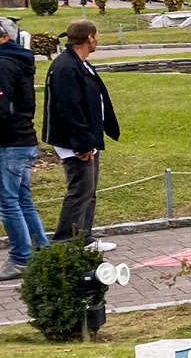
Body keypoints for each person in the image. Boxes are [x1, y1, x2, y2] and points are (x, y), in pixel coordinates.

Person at [42, 19, 119, 245]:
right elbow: (69, 109)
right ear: (90, 38)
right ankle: (65, 242)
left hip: (88, 138)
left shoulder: (80, 63)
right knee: (79, 192)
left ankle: (84, 238)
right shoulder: (66, 67)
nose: (98, 39)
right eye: (97, 35)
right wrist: (83, 144)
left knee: (89, 192)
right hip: (75, 142)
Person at [0, 17, 49, 279]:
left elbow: (3, 109)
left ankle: (21, 257)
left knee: (8, 202)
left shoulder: (3, 65)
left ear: (4, 37)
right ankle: (40, 248)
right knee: (21, 199)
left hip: (10, 142)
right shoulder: (19, 61)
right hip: (22, 139)